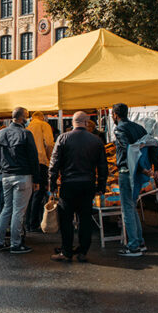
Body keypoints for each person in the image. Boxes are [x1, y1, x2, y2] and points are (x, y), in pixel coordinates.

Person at [49, 111, 108, 262]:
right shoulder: (96, 140)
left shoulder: (63, 138)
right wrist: (101, 185)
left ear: (72, 123)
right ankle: (83, 251)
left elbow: (54, 164)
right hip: (88, 184)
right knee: (85, 219)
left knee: (66, 219)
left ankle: (67, 251)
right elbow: (103, 166)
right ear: (87, 123)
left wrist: (52, 184)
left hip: (68, 184)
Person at [112, 103, 158, 258]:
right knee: (132, 207)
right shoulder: (140, 128)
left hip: (128, 172)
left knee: (127, 209)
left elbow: (128, 150)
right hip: (140, 173)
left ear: (115, 115)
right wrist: (156, 167)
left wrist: (139, 168)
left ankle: (133, 246)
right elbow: (153, 145)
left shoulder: (119, 130)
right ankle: (139, 242)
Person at [0, 107, 39, 254]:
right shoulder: (25, 133)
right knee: (18, 211)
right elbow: (33, 158)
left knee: (7, 209)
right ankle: (15, 243)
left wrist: (3, 168)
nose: (28, 119)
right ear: (22, 118)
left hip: (6, 175)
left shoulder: (1, 133)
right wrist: (36, 178)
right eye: (27, 116)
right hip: (22, 175)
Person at [25, 111, 55, 232]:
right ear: (42, 117)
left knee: (30, 193)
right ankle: (34, 223)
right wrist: (49, 158)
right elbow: (49, 143)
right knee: (39, 192)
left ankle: (28, 223)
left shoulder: (27, 127)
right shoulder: (44, 125)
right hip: (41, 161)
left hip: (28, 163)